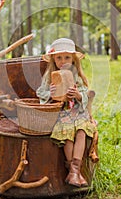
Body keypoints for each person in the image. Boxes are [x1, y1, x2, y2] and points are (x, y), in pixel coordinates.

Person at [36, 38, 97, 187]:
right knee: (68, 135)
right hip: (61, 113)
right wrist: (50, 93)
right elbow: (40, 92)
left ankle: (75, 171)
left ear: (73, 59)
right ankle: (73, 172)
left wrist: (77, 95)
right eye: (59, 57)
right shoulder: (51, 75)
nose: (63, 61)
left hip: (77, 112)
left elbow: (84, 92)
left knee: (82, 130)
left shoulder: (76, 75)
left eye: (67, 57)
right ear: (53, 59)